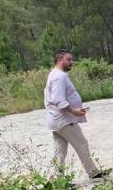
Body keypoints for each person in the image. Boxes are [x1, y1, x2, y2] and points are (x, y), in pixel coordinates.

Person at [44, 49, 107, 181]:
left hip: (56, 120)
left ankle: (57, 179)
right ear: (60, 60)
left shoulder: (55, 74)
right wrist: (74, 111)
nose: (71, 62)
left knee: (60, 151)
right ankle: (93, 173)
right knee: (82, 143)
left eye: (71, 59)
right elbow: (58, 99)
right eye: (69, 59)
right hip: (64, 120)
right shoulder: (59, 77)